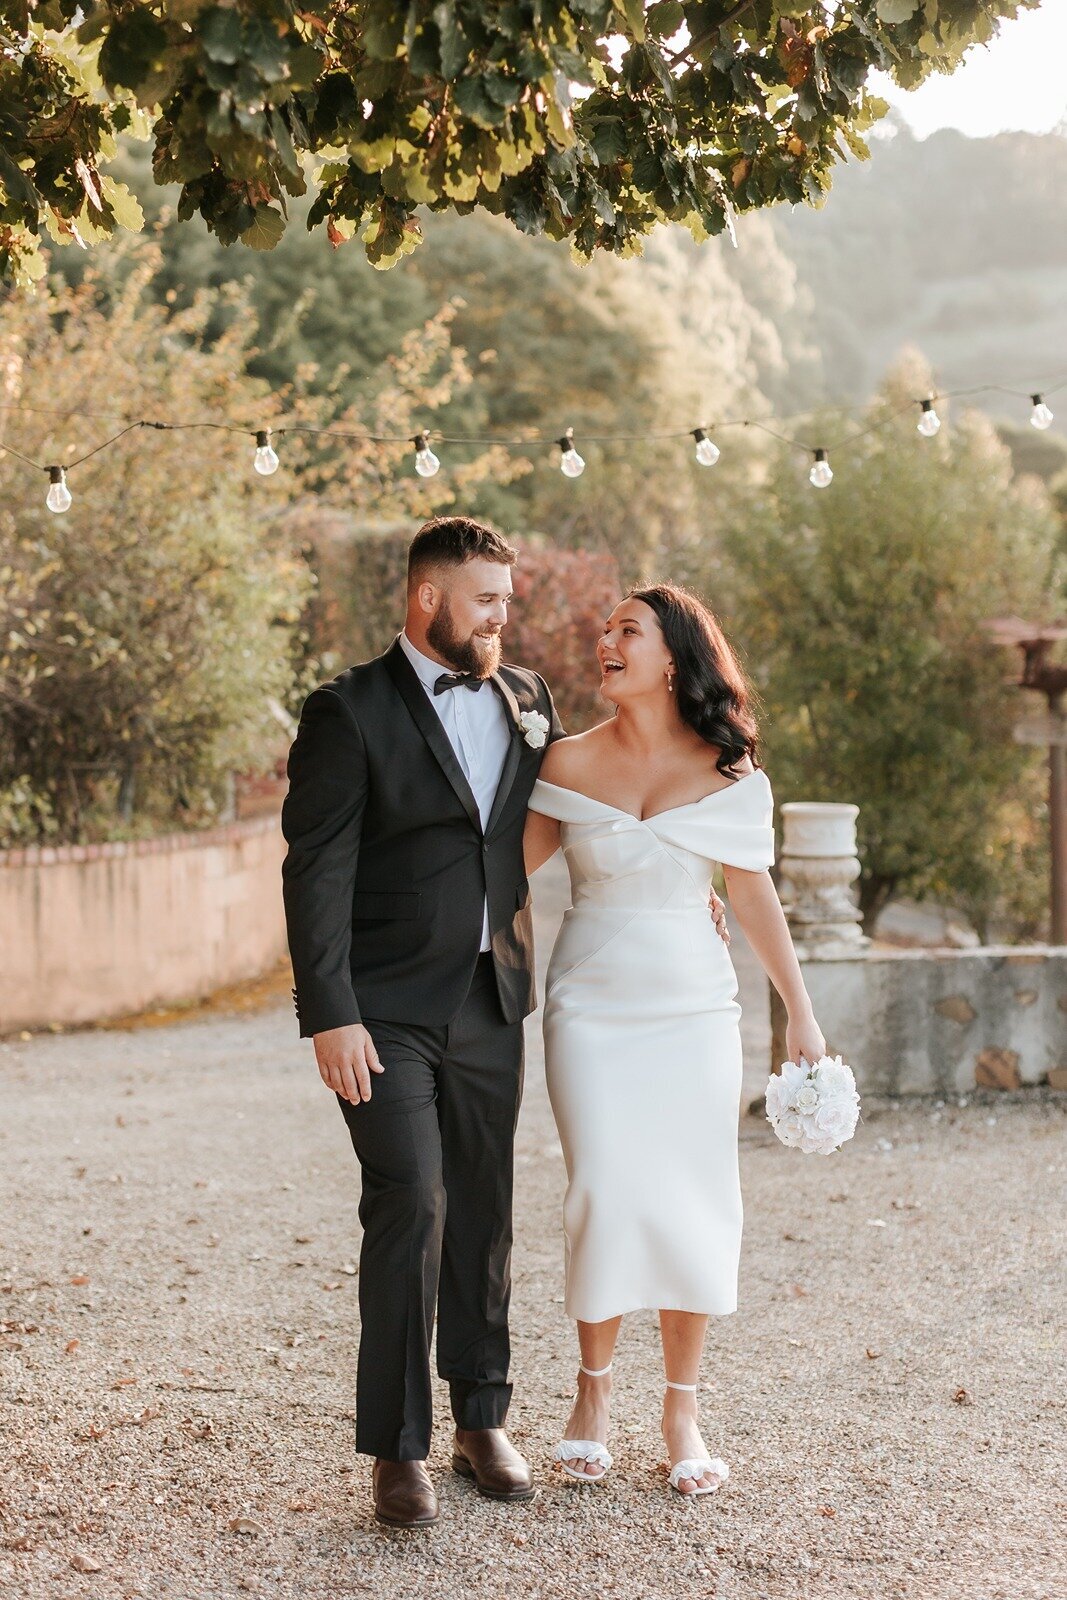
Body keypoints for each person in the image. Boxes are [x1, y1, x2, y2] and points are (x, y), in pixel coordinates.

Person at [280, 517, 563, 1529]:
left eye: (506, 597)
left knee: (483, 1206)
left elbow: (587, 802)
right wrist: (329, 1013)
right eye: (485, 598)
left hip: (493, 998)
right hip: (385, 1009)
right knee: (411, 1197)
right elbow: (315, 869)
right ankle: (393, 1446)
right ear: (427, 598)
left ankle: (480, 1417)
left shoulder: (526, 697)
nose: (502, 614)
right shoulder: (345, 712)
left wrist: (686, 874)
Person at [523, 582, 826, 1499]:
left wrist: (800, 1015)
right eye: (604, 629)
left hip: (694, 1010)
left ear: (673, 656)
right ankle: (590, 1397)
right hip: (591, 1006)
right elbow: (493, 876)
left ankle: (683, 1409)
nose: (605, 641)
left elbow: (753, 899)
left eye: (628, 630)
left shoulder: (729, 774)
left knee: (696, 1197)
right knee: (605, 1190)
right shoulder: (564, 764)